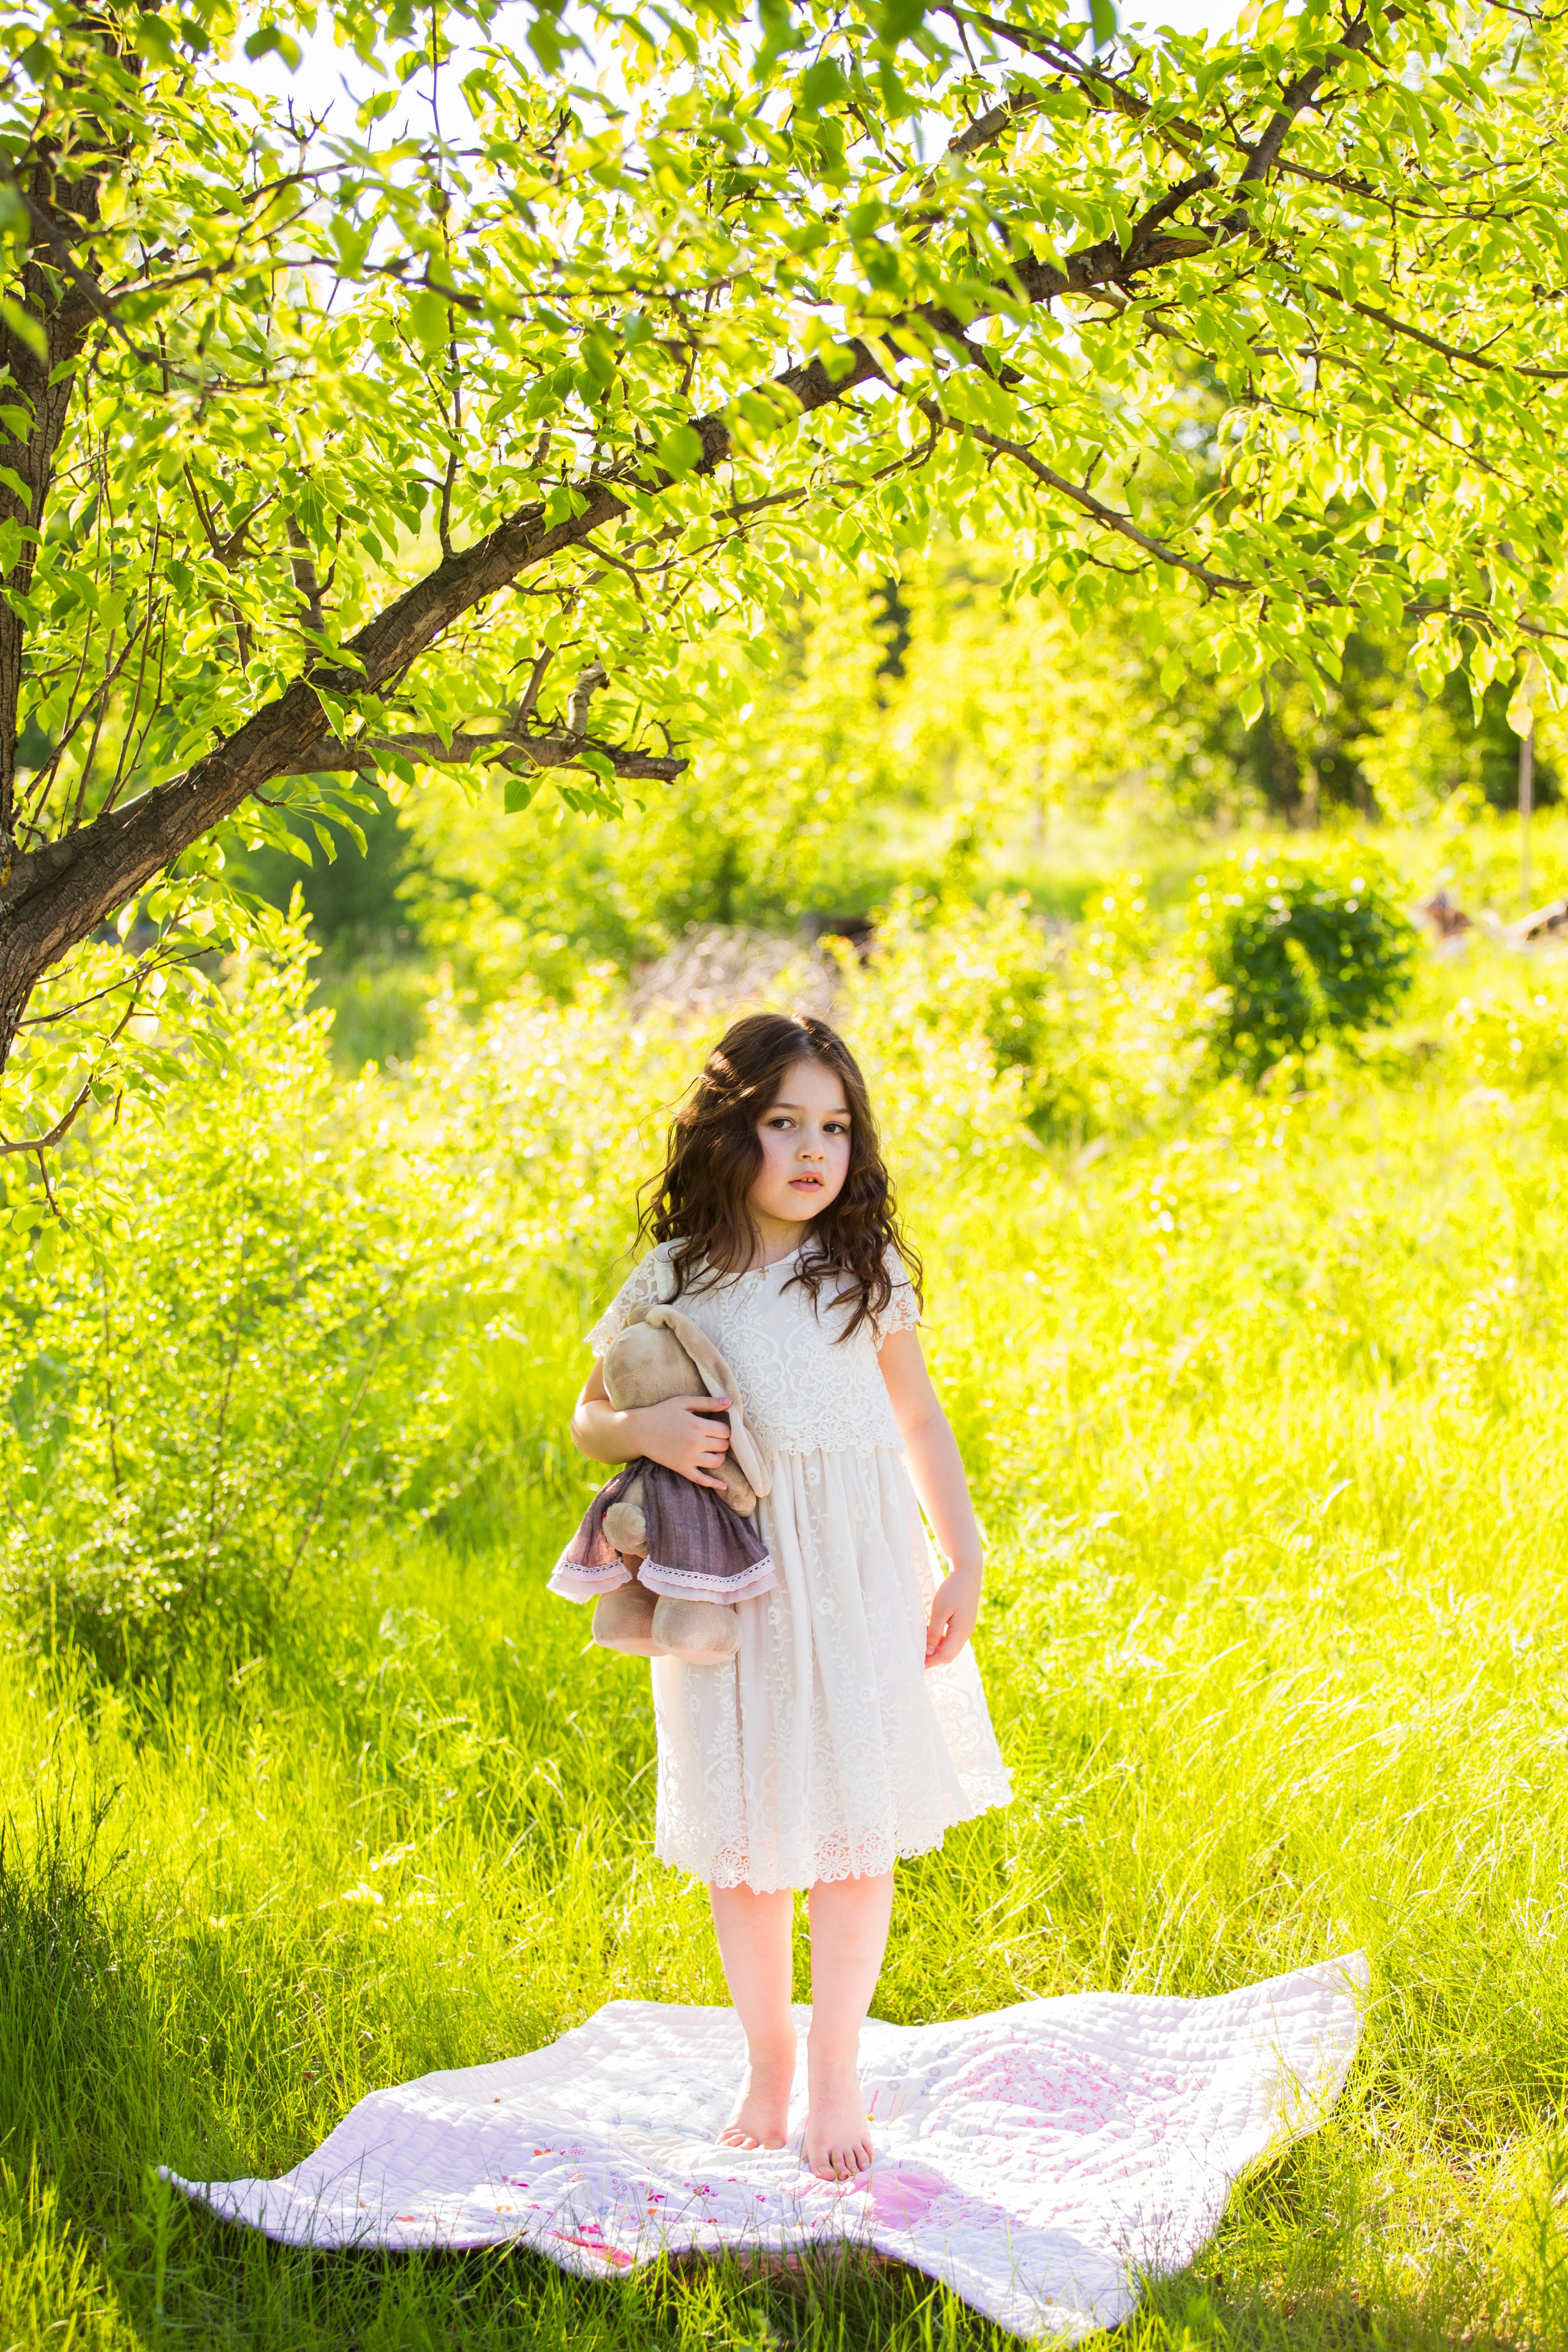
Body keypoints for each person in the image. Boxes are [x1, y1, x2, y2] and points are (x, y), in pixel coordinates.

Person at [567, 1011, 1012, 2182]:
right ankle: (767, 2061)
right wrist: (644, 1428)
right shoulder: (677, 1275)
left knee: (857, 1822)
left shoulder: (863, 1273)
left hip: (860, 1567)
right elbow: (588, 1415)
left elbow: (919, 1417)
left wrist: (959, 1552)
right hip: (732, 1572)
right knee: (751, 1835)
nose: (815, 1151)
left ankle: (837, 2071)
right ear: (731, 1132)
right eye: (784, 1124)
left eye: (835, 1127)